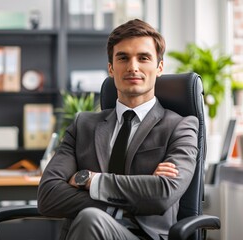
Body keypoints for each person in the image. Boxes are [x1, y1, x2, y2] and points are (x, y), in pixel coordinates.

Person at [37, 19, 198, 240]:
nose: (133, 67)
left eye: (143, 58)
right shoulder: (83, 125)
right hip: (89, 231)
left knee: (91, 218)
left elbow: (163, 194)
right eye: (123, 58)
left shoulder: (181, 126)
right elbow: (48, 196)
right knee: (92, 220)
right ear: (111, 68)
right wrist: (139, 193)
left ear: (159, 67)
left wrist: (89, 180)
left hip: (146, 236)